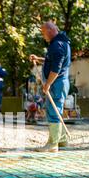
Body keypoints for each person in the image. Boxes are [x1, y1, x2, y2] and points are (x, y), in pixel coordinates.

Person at [30, 21, 71, 152]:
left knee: (53, 110)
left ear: (50, 30)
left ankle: (53, 144)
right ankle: (62, 140)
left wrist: (47, 84)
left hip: (56, 82)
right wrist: (38, 58)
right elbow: (51, 60)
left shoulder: (57, 45)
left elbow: (56, 68)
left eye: (43, 32)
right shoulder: (61, 43)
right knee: (57, 110)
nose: (43, 36)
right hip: (60, 82)